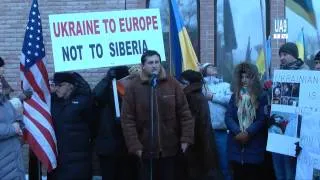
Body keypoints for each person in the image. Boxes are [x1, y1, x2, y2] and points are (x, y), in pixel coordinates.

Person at [121, 50, 194, 180]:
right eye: (150, 63)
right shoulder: (133, 87)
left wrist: (186, 139)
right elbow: (127, 120)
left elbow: (185, 114)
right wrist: (135, 145)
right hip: (145, 150)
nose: (154, 65)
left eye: (157, 62)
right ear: (143, 65)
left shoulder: (172, 84)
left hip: (170, 149)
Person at [93, 66, 139, 180]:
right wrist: (107, 79)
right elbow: (95, 95)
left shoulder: (133, 90)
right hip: (109, 146)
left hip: (128, 145)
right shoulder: (107, 88)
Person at [270, 42, 307, 180]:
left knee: (290, 171)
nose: (281, 58)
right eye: (280, 55)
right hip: (277, 130)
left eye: (285, 54)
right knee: (279, 171)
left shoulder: (306, 73)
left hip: (295, 132)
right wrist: (270, 90)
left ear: (294, 55)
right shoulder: (279, 74)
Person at [225, 62, 267, 180]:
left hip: (254, 146)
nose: (244, 80)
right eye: (242, 77)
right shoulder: (235, 96)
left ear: (253, 77)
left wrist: (248, 132)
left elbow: (261, 119)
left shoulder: (261, 96)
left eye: (247, 77)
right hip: (236, 147)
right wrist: (238, 132)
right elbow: (228, 116)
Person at [48, 72, 93, 180]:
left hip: (79, 159)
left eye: (60, 85)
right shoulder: (52, 101)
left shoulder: (84, 101)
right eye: (55, 85)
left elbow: (93, 124)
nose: (57, 88)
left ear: (70, 86)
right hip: (58, 159)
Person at [179, 70, 221, 180]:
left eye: (181, 82)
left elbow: (191, 122)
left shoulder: (191, 97)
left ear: (187, 83)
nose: (179, 84)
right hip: (202, 143)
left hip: (195, 144)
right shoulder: (197, 95)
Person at [201, 63, 232, 180]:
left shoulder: (226, 85)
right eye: (209, 66)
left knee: (224, 163)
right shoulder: (200, 86)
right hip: (204, 131)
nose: (213, 67)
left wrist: (213, 97)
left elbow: (231, 100)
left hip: (221, 130)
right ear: (204, 70)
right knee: (207, 164)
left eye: (214, 66)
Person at [0, 58, 25, 180]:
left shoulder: (4, 102)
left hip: (15, 164)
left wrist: (19, 125)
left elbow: (18, 118)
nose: (1, 82)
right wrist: (12, 128)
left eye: (1, 77)